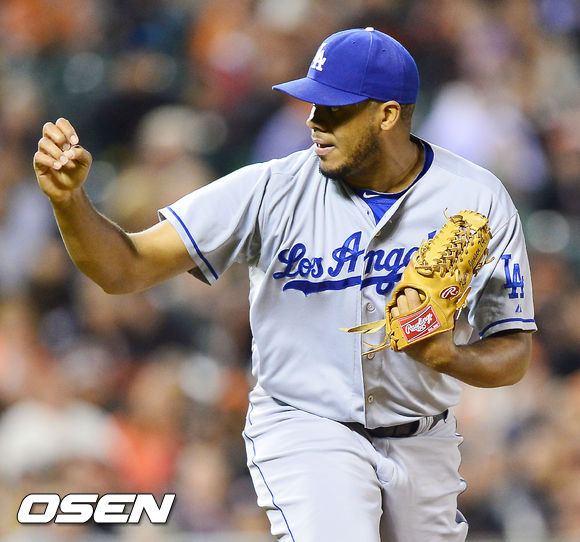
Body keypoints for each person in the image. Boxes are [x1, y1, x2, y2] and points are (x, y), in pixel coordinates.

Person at [34, 27, 535, 542]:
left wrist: (450, 357)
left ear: (387, 115)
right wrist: (69, 203)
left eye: (333, 109)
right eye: (313, 104)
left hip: (423, 439)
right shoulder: (271, 189)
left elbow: (513, 351)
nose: (313, 120)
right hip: (306, 429)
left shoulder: (477, 198)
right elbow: (125, 269)